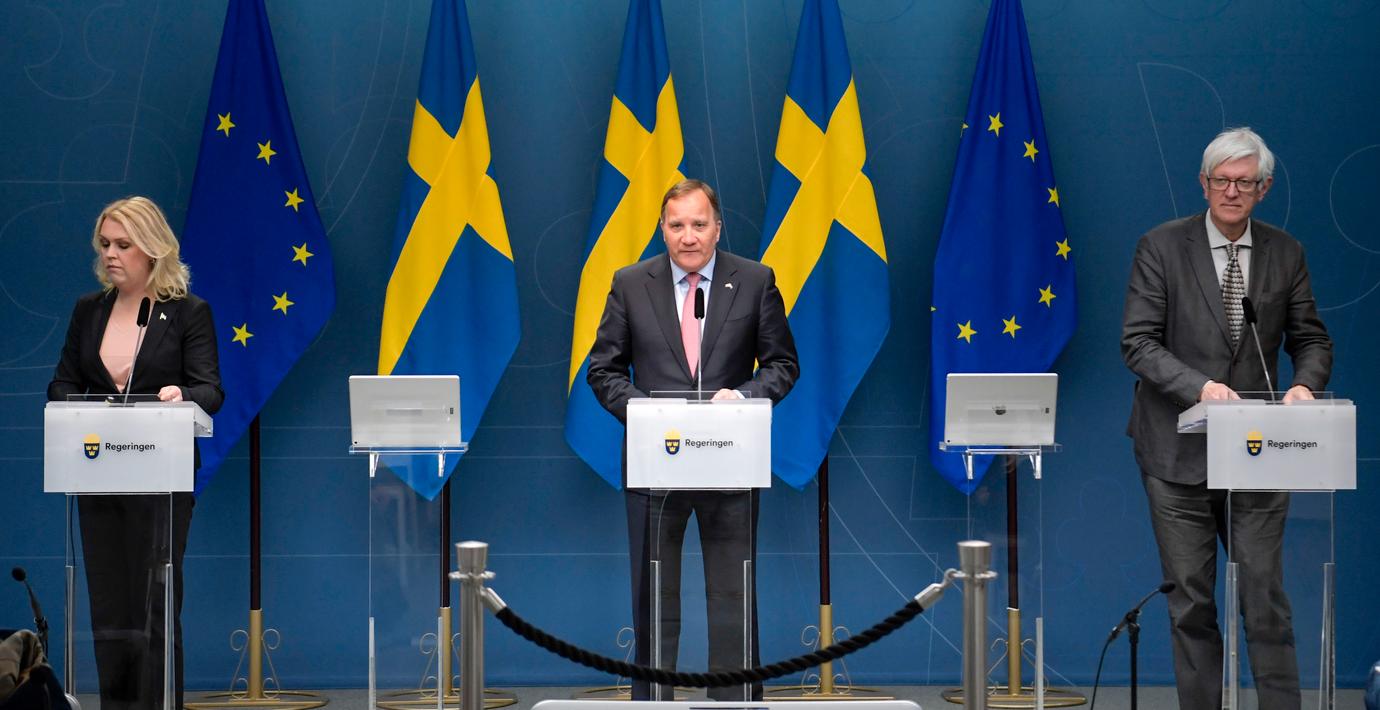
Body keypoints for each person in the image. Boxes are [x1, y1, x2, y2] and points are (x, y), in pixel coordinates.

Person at [1121, 128, 1332, 709]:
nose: (1231, 191)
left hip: (1260, 451)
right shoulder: (1161, 247)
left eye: (1244, 182)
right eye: (1221, 180)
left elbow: (1311, 339)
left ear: (1264, 188)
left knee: (1264, 599)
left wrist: (1304, 387)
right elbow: (1138, 342)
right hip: (1176, 453)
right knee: (1191, 604)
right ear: (1203, 184)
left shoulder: (1286, 253)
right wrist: (1200, 387)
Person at [587, 179, 799, 701]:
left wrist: (744, 397)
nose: (688, 236)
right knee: (654, 598)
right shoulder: (630, 283)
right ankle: (654, 702)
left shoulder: (754, 281)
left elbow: (782, 364)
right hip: (655, 465)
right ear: (662, 229)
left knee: (732, 594)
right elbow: (603, 369)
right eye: (677, 225)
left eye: (699, 224)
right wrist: (644, 412)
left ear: (717, 228)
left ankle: (733, 702)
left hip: (730, 465)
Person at [48, 196, 224, 710]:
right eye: (104, 244)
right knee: (110, 609)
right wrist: (78, 407)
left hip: (161, 479)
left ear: (152, 249)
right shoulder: (89, 310)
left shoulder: (188, 312)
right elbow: (63, 383)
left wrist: (180, 395)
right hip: (98, 473)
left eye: (123, 245)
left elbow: (210, 389)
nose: (110, 254)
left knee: (155, 604)